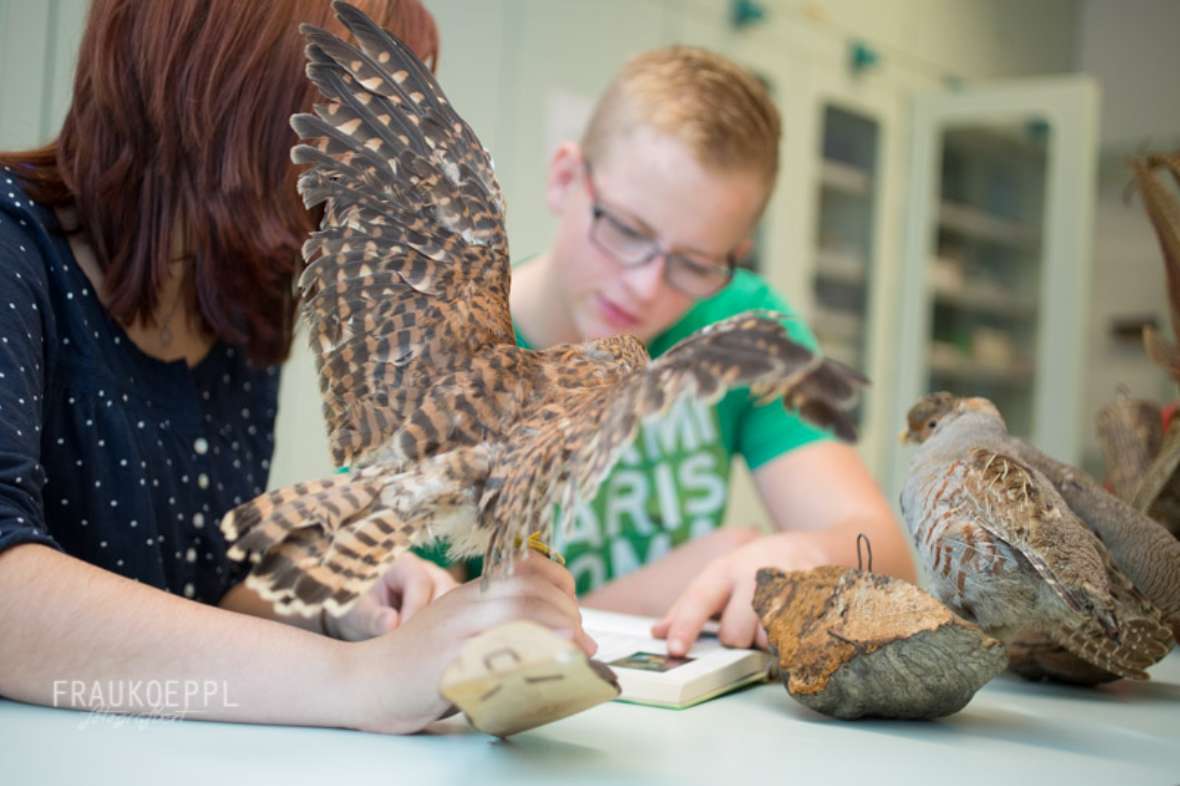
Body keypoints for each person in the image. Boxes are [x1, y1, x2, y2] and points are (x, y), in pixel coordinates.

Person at [0, 0, 590, 734]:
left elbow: (196, 587)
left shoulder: (238, 294)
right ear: (228, 91)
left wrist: (332, 595)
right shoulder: (13, 251)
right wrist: (366, 680)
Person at [477, 46, 914, 656]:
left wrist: (803, 552)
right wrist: (659, 588)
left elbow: (886, 557)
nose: (644, 286)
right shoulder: (459, 346)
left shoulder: (742, 329)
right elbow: (396, 606)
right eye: (626, 230)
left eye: (695, 263)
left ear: (736, 253)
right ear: (565, 180)